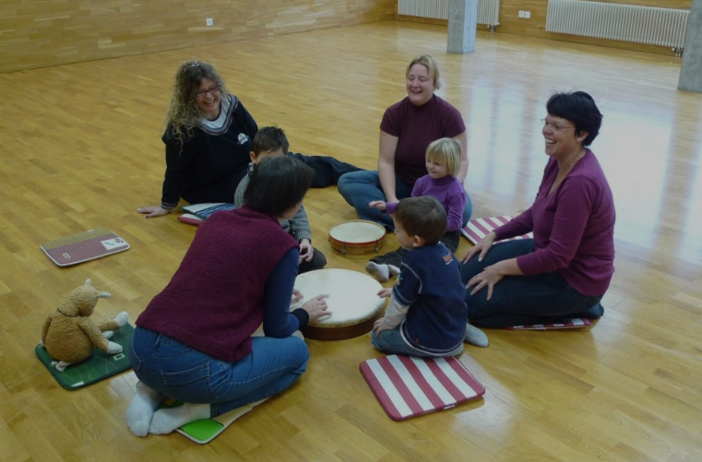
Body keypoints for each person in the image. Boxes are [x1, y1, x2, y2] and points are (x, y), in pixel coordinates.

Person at [125, 156, 330, 437]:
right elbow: (277, 328)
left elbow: (216, 279)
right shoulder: (283, 245)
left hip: (139, 349)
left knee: (176, 347)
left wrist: (270, 290)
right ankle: (196, 410)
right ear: (294, 204)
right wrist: (304, 312)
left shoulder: (216, 220)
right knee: (298, 355)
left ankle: (147, 395)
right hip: (194, 373)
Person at [460, 91, 615, 328]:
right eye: (547, 122)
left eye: (557, 126)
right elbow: (536, 212)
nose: (547, 131)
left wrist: (501, 269)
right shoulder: (558, 159)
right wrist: (494, 234)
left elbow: (558, 256)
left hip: (575, 281)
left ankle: (580, 307)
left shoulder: (580, 182)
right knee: (464, 272)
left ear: (581, 134)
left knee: (474, 304)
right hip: (546, 253)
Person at [138, 60, 360, 218]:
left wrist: (274, 158)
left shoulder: (232, 105)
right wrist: (167, 205)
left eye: (212, 88)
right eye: (200, 92)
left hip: (251, 163)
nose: (209, 96)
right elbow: (176, 170)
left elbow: (256, 136)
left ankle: (366, 177)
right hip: (213, 185)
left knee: (302, 163)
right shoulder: (183, 128)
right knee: (265, 185)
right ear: (187, 97)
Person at [337, 54, 472, 229]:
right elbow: (386, 162)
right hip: (403, 184)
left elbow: (462, 160)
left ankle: (405, 221)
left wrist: (451, 189)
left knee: (465, 211)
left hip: (438, 188)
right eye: (411, 78)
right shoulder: (394, 113)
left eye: (422, 79)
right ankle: (418, 222)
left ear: (435, 83)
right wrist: (392, 198)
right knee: (348, 182)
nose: (415, 84)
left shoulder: (449, 115)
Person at [371, 196, 488, 357]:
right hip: (453, 323)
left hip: (432, 342)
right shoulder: (446, 252)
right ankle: (457, 333)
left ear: (417, 240)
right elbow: (437, 287)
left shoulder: (414, 261)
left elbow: (400, 304)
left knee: (378, 337)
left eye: (398, 230)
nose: (395, 232)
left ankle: (444, 346)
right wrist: (397, 289)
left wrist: (387, 323)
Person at [365, 138, 465, 282]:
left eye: (436, 163)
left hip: (445, 234)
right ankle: (384, 267)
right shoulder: (422, 182)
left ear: (451, 165)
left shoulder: (456, 190)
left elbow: (455, 223)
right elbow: (411, 206)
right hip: (422, 228)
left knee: (442, 256)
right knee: (407, 248)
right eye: (428, 160)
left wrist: (430, 227)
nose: (430, 166)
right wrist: (388, 206)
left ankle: (416, 275)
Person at [234, 126, 326, 273]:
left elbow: (299, 213)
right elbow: (252, 236)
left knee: (318, 260)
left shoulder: (286, 179)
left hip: (286, 240)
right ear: (253, 157)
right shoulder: (245, 191)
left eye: (279, 161)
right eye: (267, 161)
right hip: (262, 248)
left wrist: (304, 240)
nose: (273, 167)